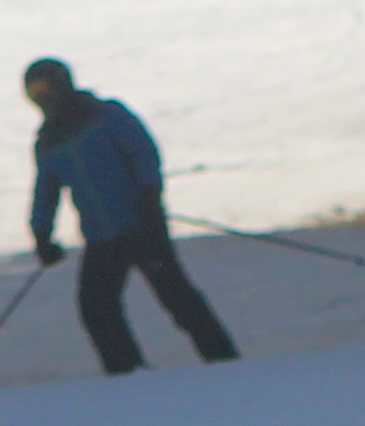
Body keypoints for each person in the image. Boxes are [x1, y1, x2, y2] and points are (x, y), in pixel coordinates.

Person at [23, 56, 236, 375]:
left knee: (176, 297)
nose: (43, 98)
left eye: (45, 88)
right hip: (101, 236)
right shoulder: (48, 142)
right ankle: (126, 372)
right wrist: (42, 234)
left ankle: (223, 360)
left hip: (141, 225)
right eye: (34, 92)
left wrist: (150, 198)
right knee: (96, 307)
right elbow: (46, 190)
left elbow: (143, 153)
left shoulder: (107, 115)